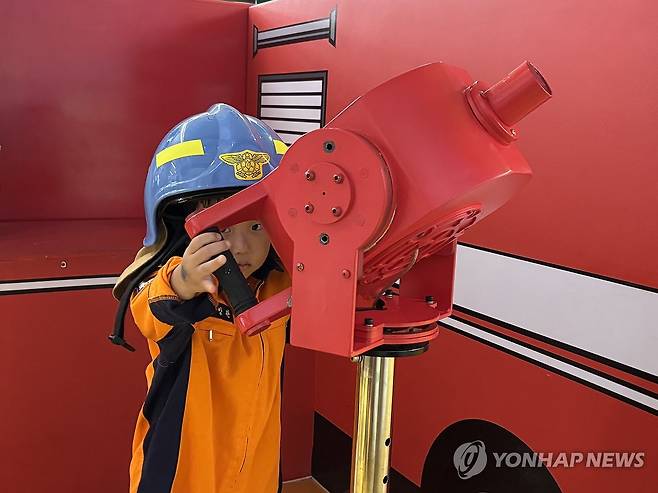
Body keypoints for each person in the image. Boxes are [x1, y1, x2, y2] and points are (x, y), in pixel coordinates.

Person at [111, 103, 290, 493]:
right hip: (182, 476)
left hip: (256, 471)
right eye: (223, 228)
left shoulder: (279, 286)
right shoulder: (181, 289)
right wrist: (185, 279)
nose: (241, 246)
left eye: (256, 226)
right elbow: (153, 305)